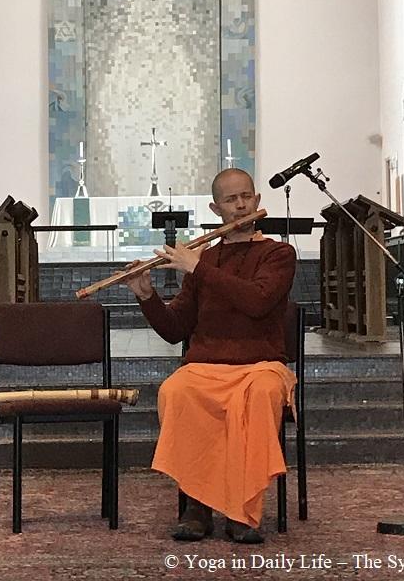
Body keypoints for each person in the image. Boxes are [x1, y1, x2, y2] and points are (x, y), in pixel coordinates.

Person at [124, 168, 296, 543]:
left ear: (257, 201)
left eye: (246, 197)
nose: (240, 205)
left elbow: (258, 302)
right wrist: (145, 294)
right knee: (176, 391)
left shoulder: (278, 253)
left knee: (263, 393)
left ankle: (243, 510)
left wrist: (198, 267)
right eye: (231, 200)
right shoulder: (202, 261)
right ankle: (197, 507)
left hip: (261, 365)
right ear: (215, 207)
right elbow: (174, 329)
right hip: (205, 367)